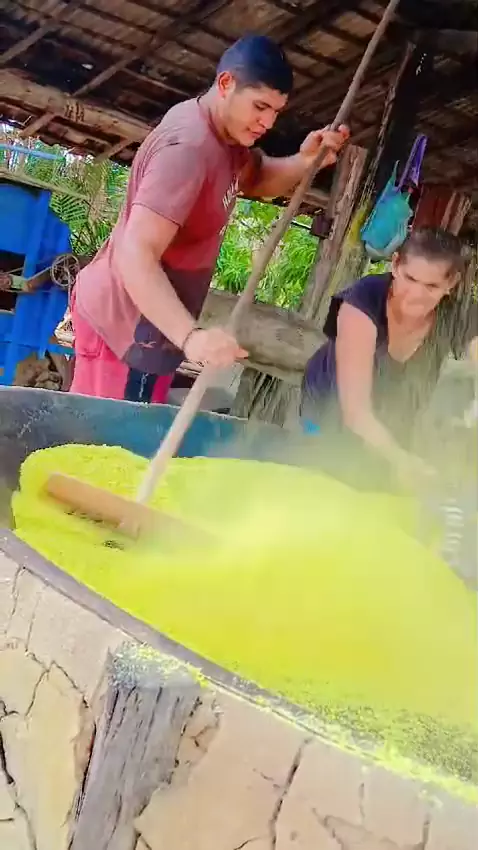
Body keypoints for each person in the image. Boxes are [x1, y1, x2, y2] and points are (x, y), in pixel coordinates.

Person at [70, 35, 349, 403]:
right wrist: (190, 336)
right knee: (107, 437)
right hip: (124, 324)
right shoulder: (187, 149)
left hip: (155, 325)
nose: (267, 122)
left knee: (135, 435)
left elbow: (256, 178)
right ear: (226, 83)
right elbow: (135, 252)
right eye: (260, 106)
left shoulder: (225, 137)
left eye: (276, 111)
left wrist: (304, 161)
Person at [301, 228, 478, 491]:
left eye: (431, 286)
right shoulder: (363, 301)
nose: (416, 294)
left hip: (396, 411)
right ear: (395, 265)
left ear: (451, 283)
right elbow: (356, 412)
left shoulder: (458, 314)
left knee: (383, 489)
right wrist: (400, 460)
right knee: (325, 478)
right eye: (410, 278)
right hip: (329, 406)